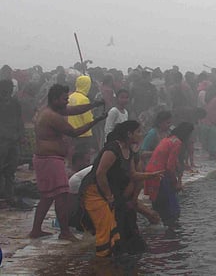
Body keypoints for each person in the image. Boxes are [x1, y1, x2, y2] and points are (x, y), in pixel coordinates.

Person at [30, 84, 107, 240]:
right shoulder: (52, 116)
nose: (67, 102)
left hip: (48, 159)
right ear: (54, 99)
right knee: (61, 194)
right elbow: (74, 132)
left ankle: (36, 230)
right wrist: (96, 120)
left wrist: (93, 105)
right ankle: (64, 232)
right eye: (65, 99)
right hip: (49, 160)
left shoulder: (53, 110)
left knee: (48, 197)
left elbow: (75, 110)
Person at [81, 121, 160, 256]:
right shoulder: (113, 149)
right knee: (106, 225)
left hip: (109, 191)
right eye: (138, 132)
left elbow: (133, 174)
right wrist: (109, 196)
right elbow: (100, 173)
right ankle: (102, 262)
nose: (141, 135)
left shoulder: (128, 150)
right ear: (129, 134)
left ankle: (115, 255)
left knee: (119, 223)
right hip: (94, 192)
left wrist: (151, 175)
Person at [144, 122, 194, 227]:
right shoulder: (177, 143)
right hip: (160, 175)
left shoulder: (167, 139)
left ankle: (157, 233)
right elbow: (170, 166)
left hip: (151, 172)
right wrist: (175, 182)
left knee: (158, 206)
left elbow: (173, 161)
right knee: (171, 212)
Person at [0, 79, 26, 208]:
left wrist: (21, 135)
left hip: (13, 140)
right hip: (2, 141)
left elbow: (19, 120)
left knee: (10, 170)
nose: (9, 90)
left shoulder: (15, 102)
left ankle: (8, 195)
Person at [69, 75, 99, 158]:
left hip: (71, 132)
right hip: (83, 134)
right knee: (83, 158)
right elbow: (88, 119)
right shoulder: (84, 99)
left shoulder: (70, 97)